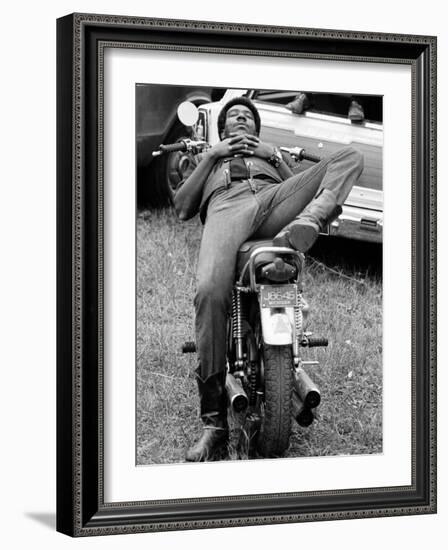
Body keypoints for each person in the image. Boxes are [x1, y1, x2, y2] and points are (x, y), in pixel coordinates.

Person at [173, 96, 364, 462]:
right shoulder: (207, 159)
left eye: (248, 116)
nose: (241, 119)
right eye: (234, 117)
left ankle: (308, 223)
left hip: (274, 203)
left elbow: (305, 185)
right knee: (210, 294)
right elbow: (182, 206)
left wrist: (274, 155)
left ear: (256, 129)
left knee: (351, 155)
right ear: (223, 129)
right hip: (227, 209)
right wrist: (214, 155)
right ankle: (214, 426)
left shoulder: (271, 157)